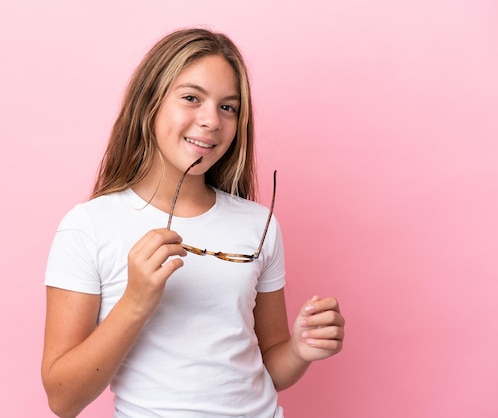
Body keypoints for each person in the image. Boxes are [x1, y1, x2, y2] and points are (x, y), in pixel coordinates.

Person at [41, 28, 345, 418]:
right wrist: (134, 302)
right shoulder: (89, 227)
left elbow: (270, 367)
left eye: (228, 107)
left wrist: (300, 350)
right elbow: (63, 401)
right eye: (191, 98)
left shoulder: (259, 225)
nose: (211, 120)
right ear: (149, 103)